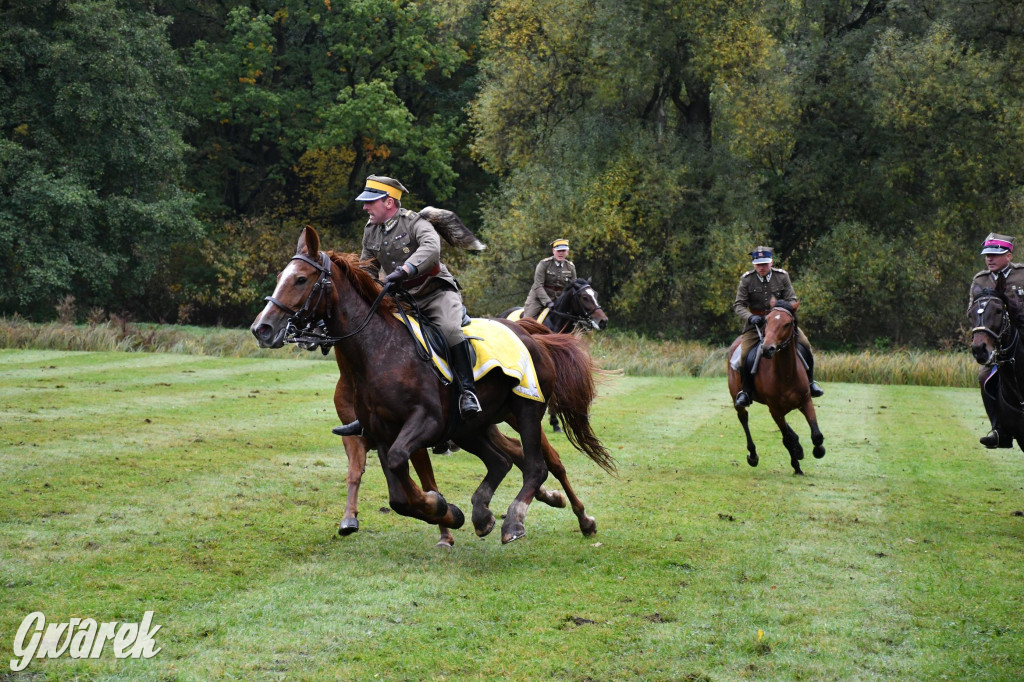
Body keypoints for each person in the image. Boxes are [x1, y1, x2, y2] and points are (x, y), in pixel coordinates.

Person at [332, 175, 481, 438]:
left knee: (449, 330)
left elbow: (431, 249)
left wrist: (405, 269)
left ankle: (468, 393)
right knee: (375, 339)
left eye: (370, 203)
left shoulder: (416, 222)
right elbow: (368, 267)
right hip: (401, 299)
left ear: (389, 202)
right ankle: (368, 413)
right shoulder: (371, 229)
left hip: (434, 292)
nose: (365, 208)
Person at [733, 245, 823, 408]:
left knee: (806, 345)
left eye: (765, 264)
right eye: (759, 264)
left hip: (780, 323)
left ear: (771, 262)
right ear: (754, 265)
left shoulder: (782, 276)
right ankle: (746, 392)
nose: (762, 268)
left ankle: (810, 383)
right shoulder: (746, 279)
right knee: (744, 354)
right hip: (757, 324)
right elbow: (739, 305)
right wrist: (751, 317)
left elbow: (791, 298)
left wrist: (780, 314)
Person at [971, 232, 1024, 448]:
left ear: (1009, 255)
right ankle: (999, 430)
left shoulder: (1022, 275)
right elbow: (972, 312)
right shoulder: (980, 280)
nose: (989, 259)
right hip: (1000, 346)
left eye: (995, 254)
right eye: (987, 255)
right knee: (984, 377)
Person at [523, 239, 577, 319]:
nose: (561, 253)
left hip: (559, 301)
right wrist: (548, 302)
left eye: (563, 250)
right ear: (553, 251)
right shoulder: (544, 264)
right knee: (527, 321)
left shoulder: (570, 267)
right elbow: (538, 285)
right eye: (558, 250)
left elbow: (574, 287)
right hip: (538, 300)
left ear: (567, 252)